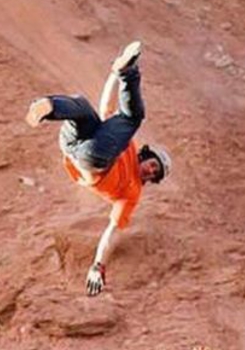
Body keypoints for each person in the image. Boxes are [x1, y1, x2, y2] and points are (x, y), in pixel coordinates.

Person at [25, 41, 172, 296]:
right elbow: (106, 108)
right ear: (146, 156)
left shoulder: (132, 193)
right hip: (72, 143)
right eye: (152, 165)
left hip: (93, 162)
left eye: (155, 175)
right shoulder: (126, 144)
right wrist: (112, 77)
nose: (151, 171)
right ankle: (46, 107)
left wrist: (98, 265)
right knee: (83, 106)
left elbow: (112, 230)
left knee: (133, 118)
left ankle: (127, 72)